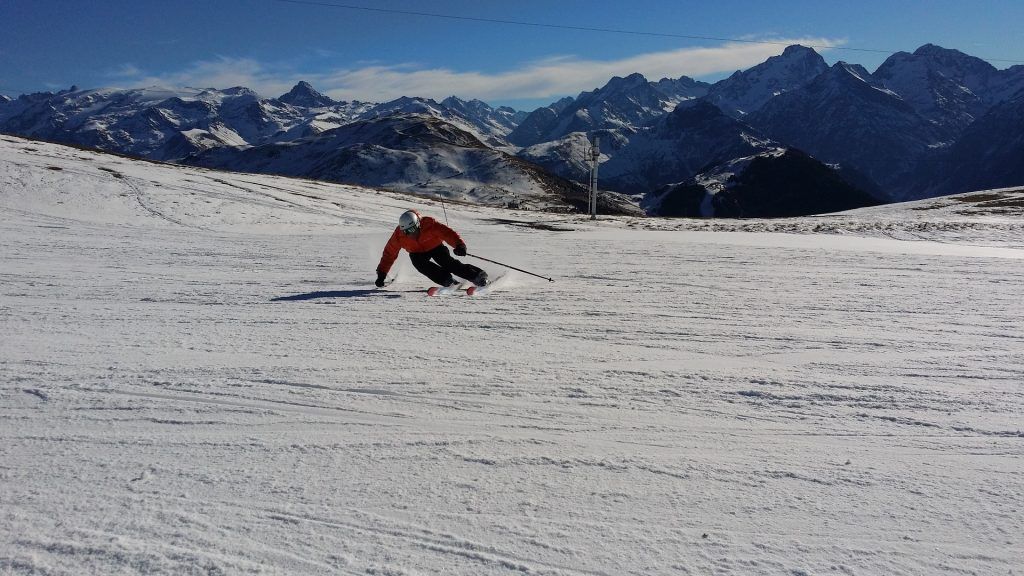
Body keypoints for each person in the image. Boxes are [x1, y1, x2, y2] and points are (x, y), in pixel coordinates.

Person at [375, 209, 488, 288]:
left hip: (436, 247)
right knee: (421, 265)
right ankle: (448, 281)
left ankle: (478, 276)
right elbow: (389, 253)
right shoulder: (399, 235)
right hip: (417, 253)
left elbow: (447, 233)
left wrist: (459, 245)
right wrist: (382, 273)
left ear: (418, 224)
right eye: (407, 231)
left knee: (448, 263)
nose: (410, 234)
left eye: (412, 229)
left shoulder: (429, 224)